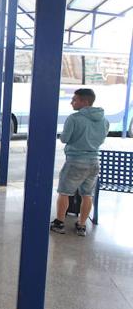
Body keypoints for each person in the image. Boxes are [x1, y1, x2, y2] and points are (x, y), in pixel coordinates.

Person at [50, 88, 109, 237]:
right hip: (94, 162)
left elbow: (64, 138)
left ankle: (60, 223)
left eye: (74, 99)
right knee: (87, 195)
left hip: (76, 161)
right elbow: (101, 140)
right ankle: (81, 226)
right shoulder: (104, 120)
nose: (71, 102)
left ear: (84, 101)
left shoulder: (74, 118)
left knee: (64, 192)